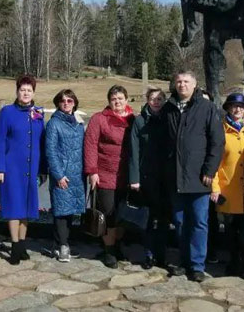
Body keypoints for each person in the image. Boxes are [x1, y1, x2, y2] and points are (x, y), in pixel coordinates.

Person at [162, 71, 224, 282]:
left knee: (199, 222)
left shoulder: (207, 108)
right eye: (178, 81)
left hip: (199, 177)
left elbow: (217, 142)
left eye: (186, 81)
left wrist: (209, 170)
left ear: (194, 84)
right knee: (180, 222)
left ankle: (197, 264)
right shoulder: (168, 108)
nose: (182, 85)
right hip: (175, 177)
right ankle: (183, 260)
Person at [0, 74, 45, 265]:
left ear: (33, 93)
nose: (25, 93)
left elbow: (42, 141)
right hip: (12, 167)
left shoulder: (38, 112)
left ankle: (22, 244)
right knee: (14, 207)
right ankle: (14, 246)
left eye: (29, 90)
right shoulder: (7, 112)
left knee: (27, 207)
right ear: (17, 91)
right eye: (22, 90)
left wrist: (42, 168)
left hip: (31, 167)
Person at [85, 85, 135, 268]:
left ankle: (118, 245)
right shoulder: (99, 119)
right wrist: (92, 171)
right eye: (114, 99)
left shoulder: (133, 120)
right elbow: (90, 145)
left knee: (122, 215)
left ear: (127, 100)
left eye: (121, 98)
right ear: (109, 101)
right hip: (104, 175)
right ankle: (109, 250)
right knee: (108, 214)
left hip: (126, 175)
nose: (117, 102)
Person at [213, 93, 244, 279]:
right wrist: (215, 187)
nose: (237, 109)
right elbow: (214, 161)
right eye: (233, 106)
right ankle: (233, 262)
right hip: (228, 188)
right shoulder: (220, 129)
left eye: (241, 107)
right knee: (231, 230)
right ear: (228, 109)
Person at [130, 87, 171, 269]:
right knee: (148, 218)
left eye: (160, 98)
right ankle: (148, 254)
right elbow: (134, 151)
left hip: (167, 177)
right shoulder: (139, 121)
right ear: (147, 100)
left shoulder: (170, 118)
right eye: (153, 98)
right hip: (147, 177)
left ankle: (161, 254)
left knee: (163, 219)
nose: (156, 101)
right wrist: (134, 178)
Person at [45, 89, 86, 263]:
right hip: (62, 175)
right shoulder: (54, 123)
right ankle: (62, 245)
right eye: (63, 101)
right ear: (58, 104)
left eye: (70, 100)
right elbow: (51, 151)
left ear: (75, 103)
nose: (66, 103)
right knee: (61, 211)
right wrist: (59, 174)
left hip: (77, 174)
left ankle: (62, 242)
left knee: (70, 211)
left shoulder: (78, 122)